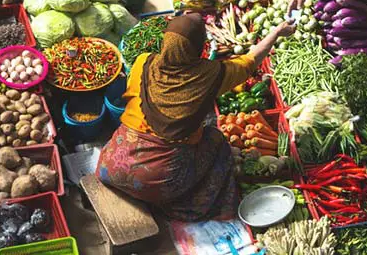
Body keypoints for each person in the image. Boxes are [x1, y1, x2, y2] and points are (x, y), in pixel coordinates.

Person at [96, 13, 295, 221]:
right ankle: (194, 207)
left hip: (110, 167)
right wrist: (276, 33)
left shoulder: (142, 62)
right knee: (215, 139)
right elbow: (249, 62)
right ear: (199, 48)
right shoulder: (210, 75)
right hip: (158, 183)